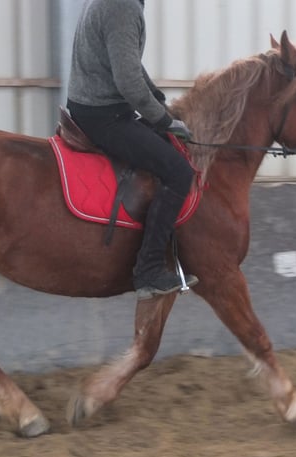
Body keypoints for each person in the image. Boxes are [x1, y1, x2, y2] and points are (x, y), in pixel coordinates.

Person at [67, 0, 199, 300]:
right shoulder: (122, 6)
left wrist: (155, 95)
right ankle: (149, 271)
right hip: (104, 116)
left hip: (95, 106)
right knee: (178, 172)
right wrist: (164, 119)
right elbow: (128, 82)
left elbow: (126, 60)